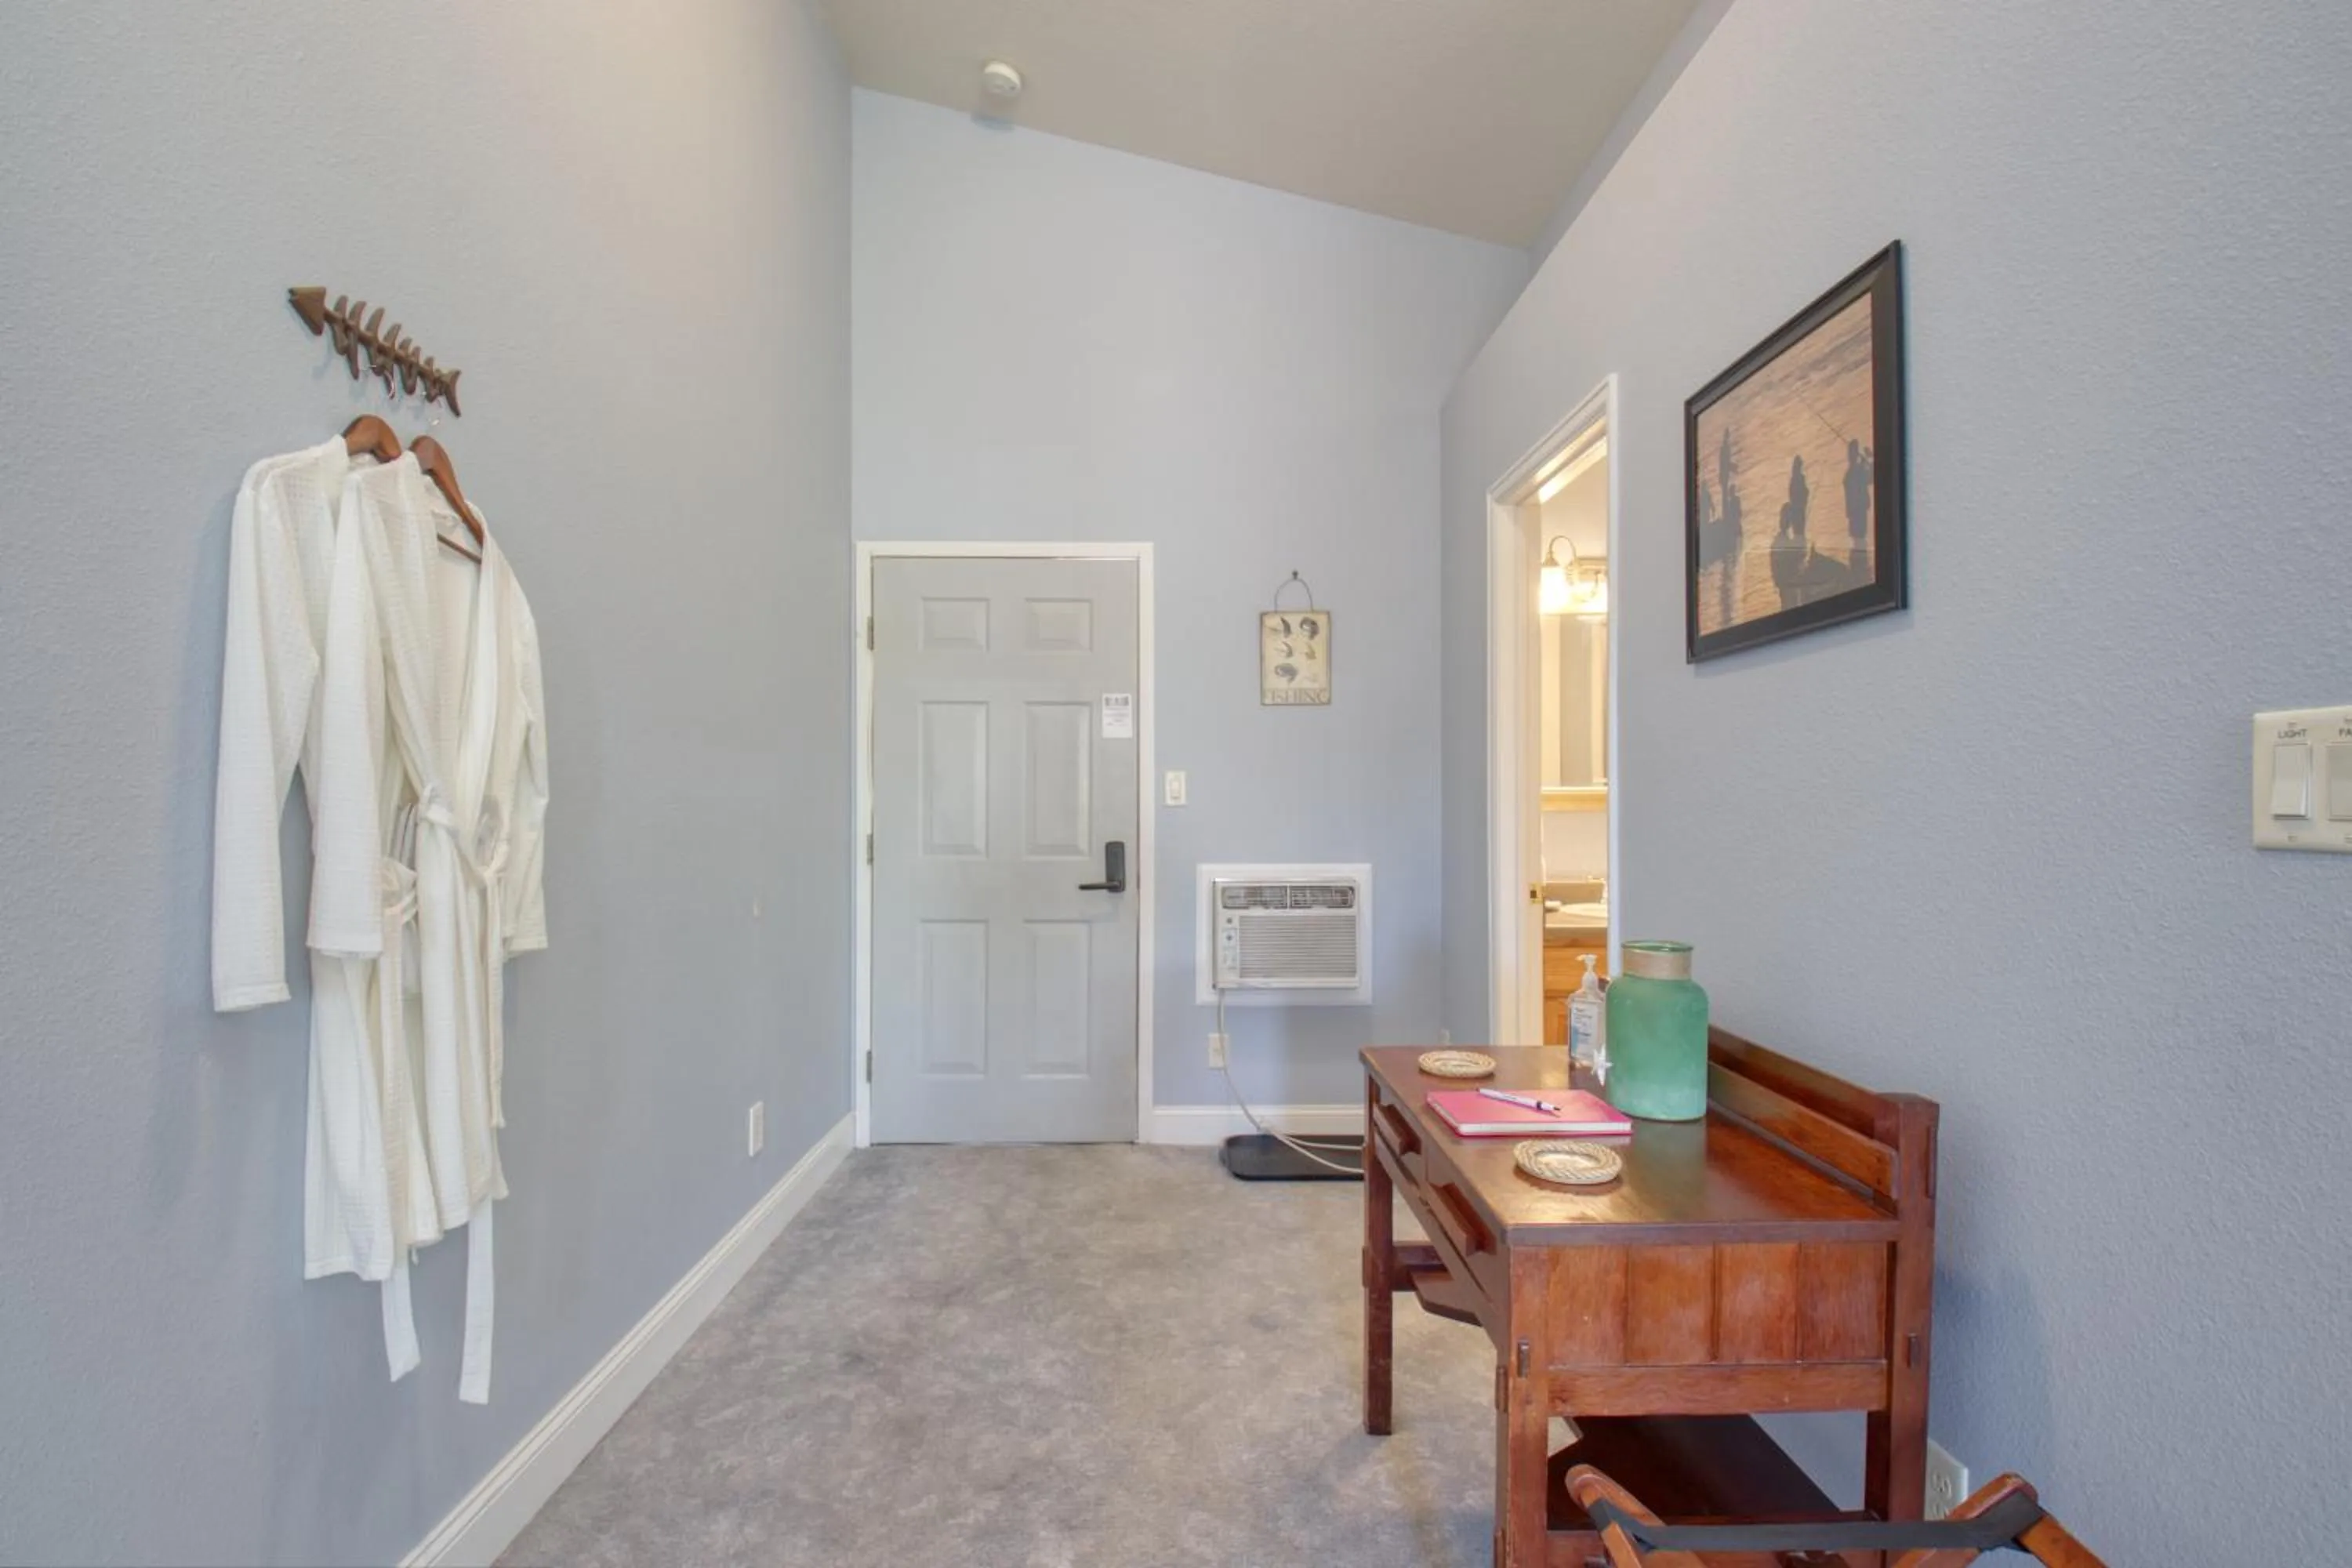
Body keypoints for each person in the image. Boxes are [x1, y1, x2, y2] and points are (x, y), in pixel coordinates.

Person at [1844, 438, 1873, 550]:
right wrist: (1869, 460)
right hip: (1859, 510)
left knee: (1857, 541)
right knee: (1860, 540)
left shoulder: (1851, 472)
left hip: (1853, 511)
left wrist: (1865, 462)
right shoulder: (1856, 470)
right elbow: (1870, 479)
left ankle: (1857, 565)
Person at [1780, 455, 1809, 540]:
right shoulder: (1798, 479)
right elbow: (1797, 493)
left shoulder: (1795, 479)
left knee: (1799, 528)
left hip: (1798, 507)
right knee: (1799, 529)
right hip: (1799, 507)